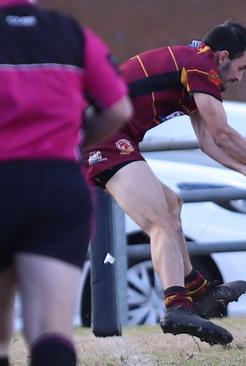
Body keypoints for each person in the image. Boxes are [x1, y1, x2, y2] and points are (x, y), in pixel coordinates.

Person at [83, 20, 246, 345]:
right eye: (241, 68)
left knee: (173, 204)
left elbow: (208, 142)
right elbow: (223, 133)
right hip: (103, 141)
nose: (239, 77)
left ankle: (199, 291)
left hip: (115, 139)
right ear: (222, 57)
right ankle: (177, 307)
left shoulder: (194, 69)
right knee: (160, 221)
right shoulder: (200, 65)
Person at [0, 0, 133, 365]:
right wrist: (75, 141)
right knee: (49, 331)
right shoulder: (71, 34)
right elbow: (119, 108)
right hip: (56, 185)